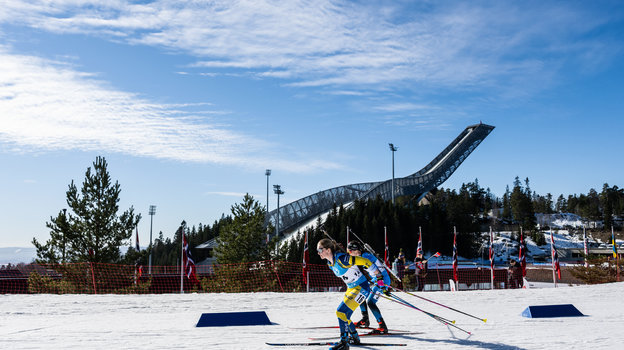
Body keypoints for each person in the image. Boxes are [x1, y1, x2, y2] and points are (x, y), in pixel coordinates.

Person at [317, 238, 387, 350]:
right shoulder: (330, 263)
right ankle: (354, 337)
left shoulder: (342, 259)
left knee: (341, 312)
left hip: (361, 288)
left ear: (328, 250)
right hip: (352, 288)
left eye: (320, 249)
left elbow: (366, 262)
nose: (318, 252)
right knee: (345, 315)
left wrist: (379, 278)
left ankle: (344, 343)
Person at [347, 240, 391, 334]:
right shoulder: (361, 256)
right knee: (361, 295)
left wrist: (383, 287)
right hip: (376, 280)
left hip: (382, 280)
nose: (350, 254)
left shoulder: (366, 257)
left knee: (371, 302)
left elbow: (379, 273)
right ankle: (365, 320)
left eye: (351, 251)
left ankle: (382, 327)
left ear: (356, 250)